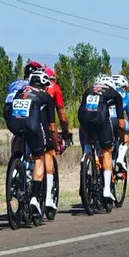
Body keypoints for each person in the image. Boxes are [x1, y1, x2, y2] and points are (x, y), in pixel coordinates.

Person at [7, 70, 55, 215]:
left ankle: (16, 172)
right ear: (45, 84)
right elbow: (51, 125)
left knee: (20, 140)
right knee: (39, 158)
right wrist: (53, 140)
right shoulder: (46, 96)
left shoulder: (19, 92)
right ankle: (34, 196)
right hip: (32, 125)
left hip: (13, 124)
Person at [78, 75, 126, 202]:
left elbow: (82, 113)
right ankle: (106, 190)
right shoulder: (115, 94)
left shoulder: (88, 90)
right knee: (106, 151)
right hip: (101, 118)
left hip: (83, 116)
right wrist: (122, 138)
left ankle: (86, 153)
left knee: (88, 136)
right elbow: (121, 124)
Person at [42, 66, 71, 211]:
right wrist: (65, 132)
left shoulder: (27, 87)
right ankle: (48, 197)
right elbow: (62, 116)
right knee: (49, 154)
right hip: (46, 126)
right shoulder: (55, 88)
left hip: (22, 122)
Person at [5, 61, 45, 155]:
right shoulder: (31, 85)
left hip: (9, 110)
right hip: (26, 111)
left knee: (18, 135)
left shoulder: (14, 83)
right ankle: (30, 156)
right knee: (31, 132)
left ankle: (15, 159)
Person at [111, 74, 129, 173]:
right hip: (117, 121)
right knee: (125, 132)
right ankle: (120, 159)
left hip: (103, 121)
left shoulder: (106, 92)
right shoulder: (127, 95)